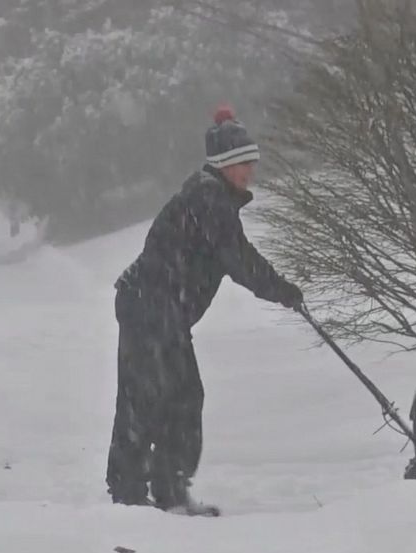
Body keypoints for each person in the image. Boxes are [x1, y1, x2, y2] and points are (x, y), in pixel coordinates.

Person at [106, 105, 303, 515]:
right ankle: (137, 494)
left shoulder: (211, 195)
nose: (251, 171)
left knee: (172, 395)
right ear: (227, 165)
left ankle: (162, 489)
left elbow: (234, 257)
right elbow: (238, 259)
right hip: (151, 306)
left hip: (157, 308)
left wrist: (280, 290)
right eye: (245, 163)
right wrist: (283, 291)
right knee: (153, 396)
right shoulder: (209, 199)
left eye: (252, 163)